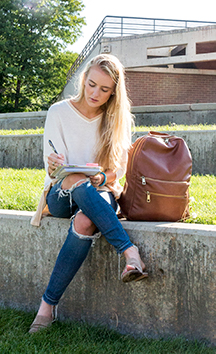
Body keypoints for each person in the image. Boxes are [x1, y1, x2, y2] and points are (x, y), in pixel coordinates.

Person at [29, 54, 148, 334]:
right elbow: (53, 164)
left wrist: (102, 176)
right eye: (92, 84)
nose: (95, 93)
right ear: (84, 79)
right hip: (61, 192)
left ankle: (47, 306)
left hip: (99, 190)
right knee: (74, 178)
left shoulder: (117, 119)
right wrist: (55, 165)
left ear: (114, 93)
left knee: (85, 221)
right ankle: (130, 252)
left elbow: (117, 170)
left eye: (104, 90)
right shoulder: (58, 112)